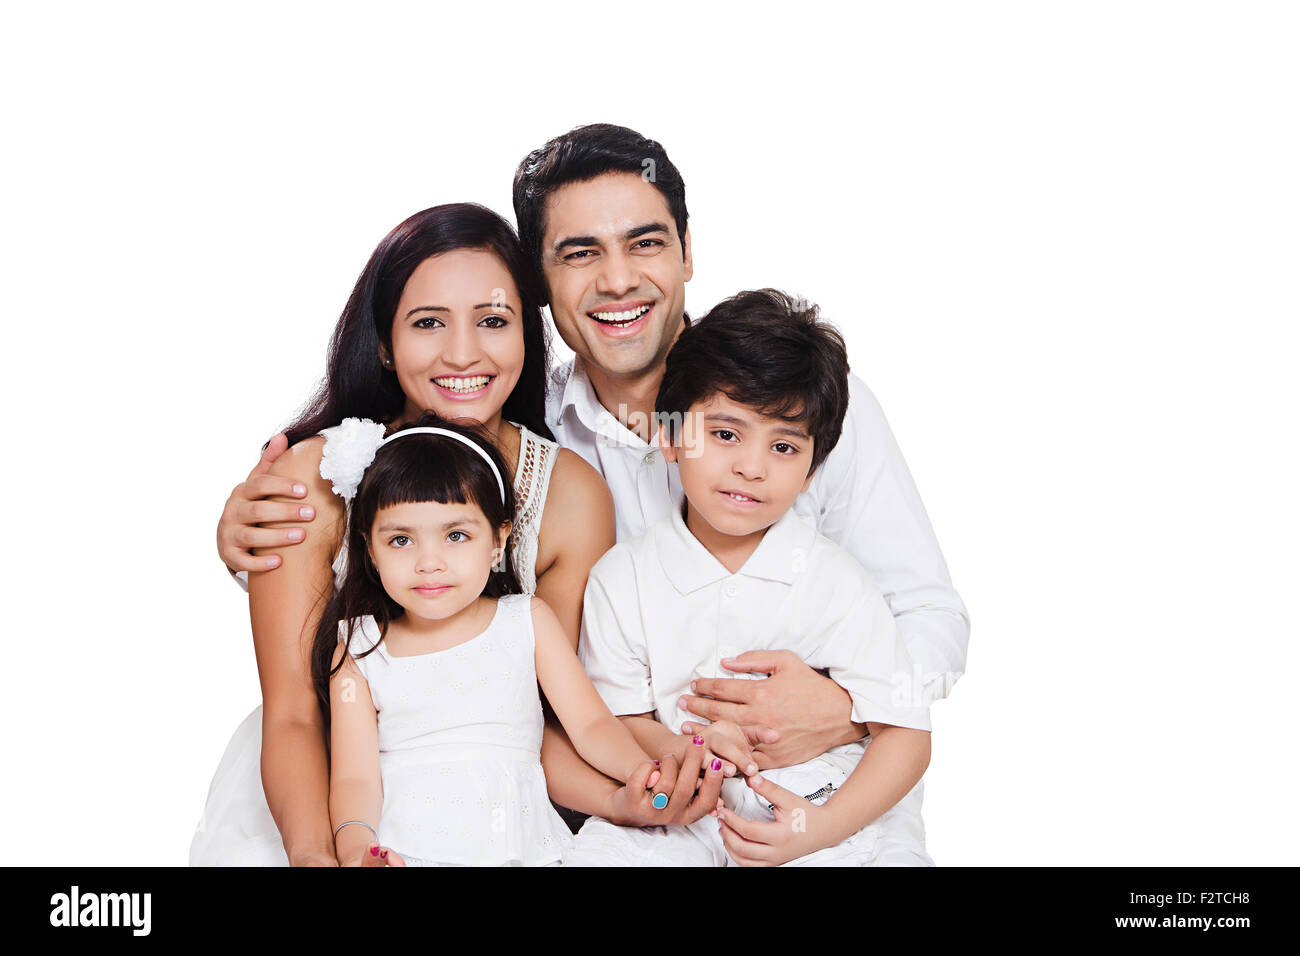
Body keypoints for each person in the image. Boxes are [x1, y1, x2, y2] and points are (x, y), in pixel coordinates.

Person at [216, 124, 967, 840]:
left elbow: (932, 616)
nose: (616, 280)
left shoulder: (796, 401)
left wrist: (851, 710)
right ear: (540, 285)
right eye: (579, 253)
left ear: (687, 252)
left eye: (644, 242)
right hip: (610, 801)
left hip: (822, 793)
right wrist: (249, 525)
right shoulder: (524, 422)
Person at [192, 202, 708, 866]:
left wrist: (627, 794)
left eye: (494, 321)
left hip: (498, 801)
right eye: (428, 323)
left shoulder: (571, 495)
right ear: (383, 341)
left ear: (529, 333)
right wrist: (319, 855)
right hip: (318, 792)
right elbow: (293, 711)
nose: (463, 352)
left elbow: (547, 719)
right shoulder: (312, 478)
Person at [566, 290, 933, 866]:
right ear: (668, 436)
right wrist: (684, 746)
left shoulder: (835, 581)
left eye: (783, 446)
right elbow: (620, 713)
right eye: (726, 434)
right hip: (680, 807)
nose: (751, 466)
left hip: (809, 800)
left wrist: (823, 827)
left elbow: (906, 733)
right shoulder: (622, 579)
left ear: (812, 471)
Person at [317, 416, 673, 866]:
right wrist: (356, 850)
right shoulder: (360, 645)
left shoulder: (526, 621)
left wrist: (638, 771)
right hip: (407, 845)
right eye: (402, 540)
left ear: (498, 540)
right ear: (370, 549)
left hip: (522, 842)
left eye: (456, 536)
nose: (430, 563)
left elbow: (591, 726)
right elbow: (354, 778)